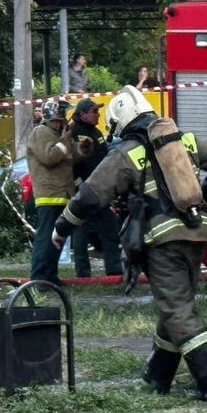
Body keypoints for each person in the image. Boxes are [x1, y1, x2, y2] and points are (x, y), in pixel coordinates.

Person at [52, 86, 207, 401]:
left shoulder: (127, 153)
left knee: (177, 309)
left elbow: (91, 195)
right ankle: (157, 376)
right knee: (174, 304)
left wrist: (61, 228)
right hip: (197, 235)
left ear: (122, 122)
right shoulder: (183, 139)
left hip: (162, 241)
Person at [27, 98, 89, 286]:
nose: (65, 121)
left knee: (56, 240)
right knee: (45, 239)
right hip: (48, 196)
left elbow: (69, 156)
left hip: (63, 195)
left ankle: (50, 276)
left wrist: (82, 149)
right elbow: (50, 157)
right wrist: (64, 140)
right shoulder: (41, 132)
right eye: (62, 117)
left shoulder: (59, 135)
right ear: (54, 117)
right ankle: (39, 278)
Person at [68, 98, 122, 278]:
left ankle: (114, 271)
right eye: (94, 111)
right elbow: (69, 164)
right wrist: (78, 186)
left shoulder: (97, 133)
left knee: (110, 230)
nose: (98, 114)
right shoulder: (72, 133)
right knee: (81, 235)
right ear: (82, 114)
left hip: (100, 192)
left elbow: (105, 160)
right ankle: (83, 274)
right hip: (82, 193)